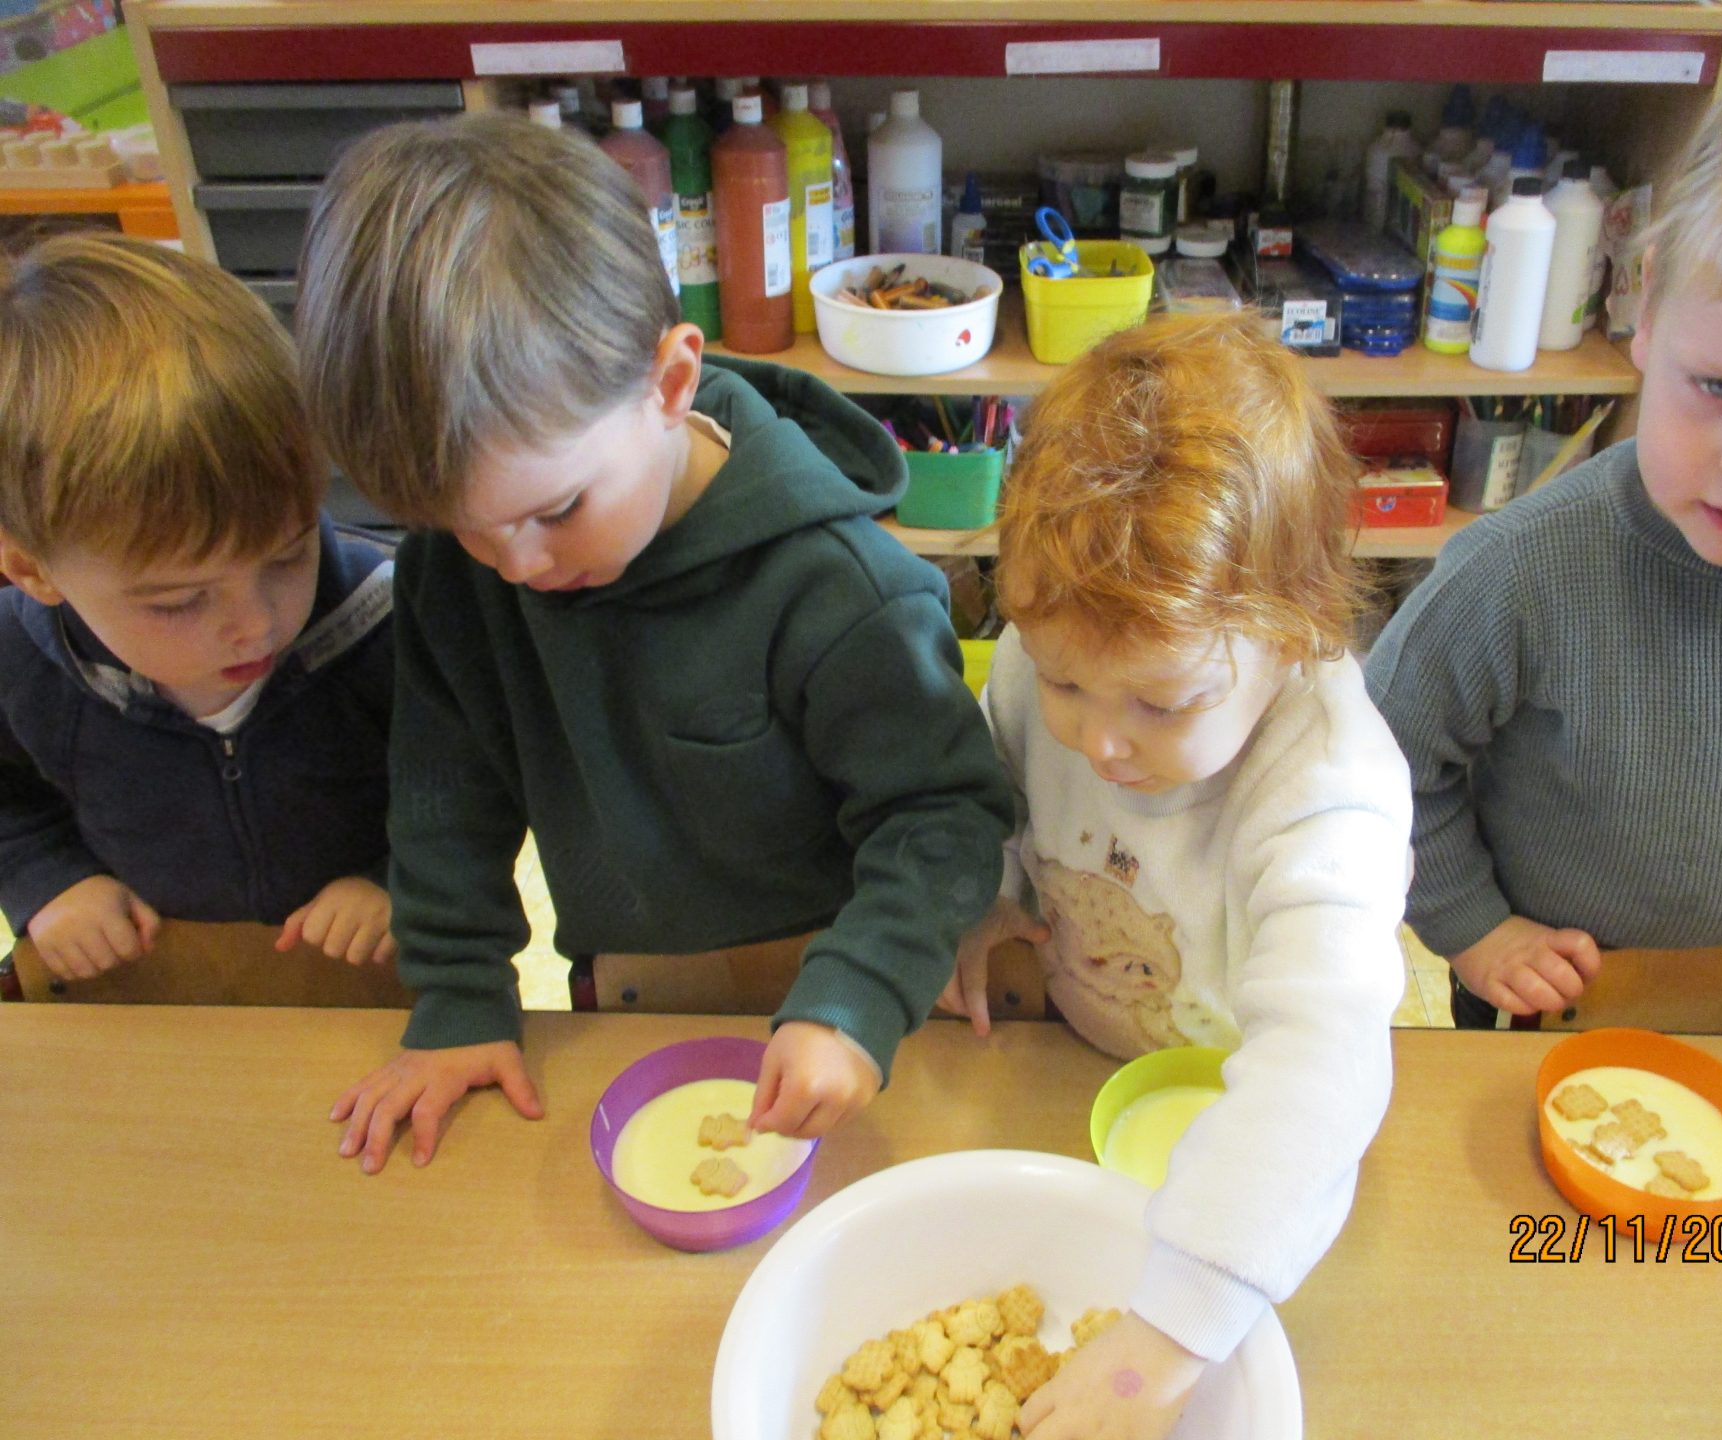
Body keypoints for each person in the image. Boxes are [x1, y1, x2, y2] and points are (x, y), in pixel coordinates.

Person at [295, 113, 1013, 1173]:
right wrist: (458, 999)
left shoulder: (835, 588)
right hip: (626, 998)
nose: (516, 566)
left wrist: (860, 995)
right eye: (463, 527)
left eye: (557, 511)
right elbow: (447, 794)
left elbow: (944, 814)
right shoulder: (465, 568)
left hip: (841, 1011)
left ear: (671, 385)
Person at [1366, 37, 1722, 1027]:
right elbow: (1382, 758)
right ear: (1648, 307)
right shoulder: (1519, 573)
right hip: (1547, 987)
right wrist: (1474, 927)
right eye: (1719, 386)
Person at [942, 313, 1411, 1440]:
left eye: (1163, 703)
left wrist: (1170, 1338)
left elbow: (1322, 1070)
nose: (1100, 742)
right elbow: (991, 786)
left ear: (1292, 638)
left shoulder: (1329, 787)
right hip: (1070, 1084)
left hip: (1250, 1166)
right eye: (1066, 685)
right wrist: (983, 897)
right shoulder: (1051, 660)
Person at [0, 233, 395, 981]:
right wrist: (45, 878)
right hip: (160, 988)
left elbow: (471, 793)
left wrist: (396, 879)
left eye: (288, 556)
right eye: (179, 602)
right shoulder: (18, 661)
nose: (258, 624)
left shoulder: (388, 626)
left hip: (374, 981)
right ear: (31, 570)